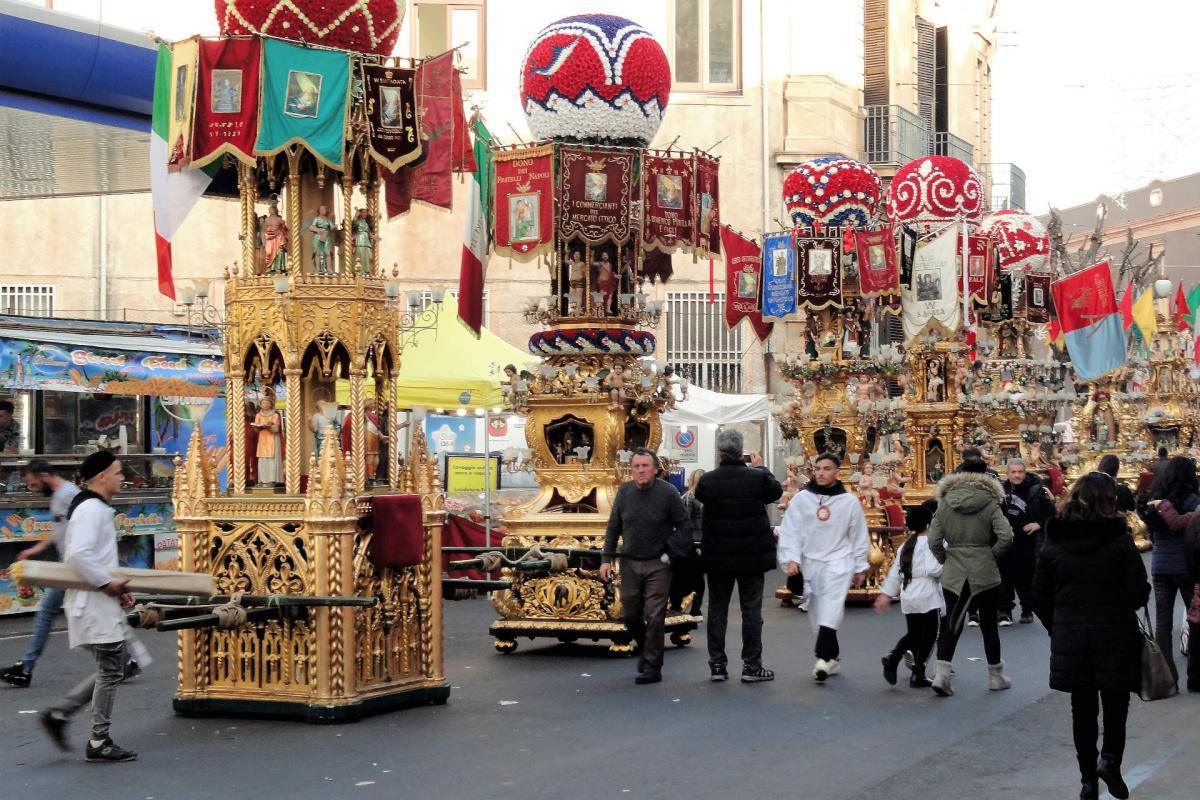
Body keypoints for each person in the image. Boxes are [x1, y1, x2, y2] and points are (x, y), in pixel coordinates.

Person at [1034, 473, 1151, 800]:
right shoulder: (1119, 539)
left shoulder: (1054, 539)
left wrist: (1057, 627)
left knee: (1081, 708)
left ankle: (1087, 778)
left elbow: (1039, 594)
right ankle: (1110, 760)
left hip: (1072, 635)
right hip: (1114, 631)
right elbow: (1138, 593)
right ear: (1108, 501)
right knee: (1116, 703)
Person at [40, 451, 138, 762]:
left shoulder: (94, 508)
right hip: (91, 604)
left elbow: (93, 558)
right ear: (101, 476)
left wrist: (114, 590)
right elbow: (79, 555)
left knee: (115, 665)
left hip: (97, 602)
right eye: (118, 472)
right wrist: (106, 585)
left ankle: (61, 714)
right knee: (112, 669)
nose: (122, 478)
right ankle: (98, 740)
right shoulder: (92, 509)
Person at [695, 431, 783, 683]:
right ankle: (752, 665)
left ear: (719, 453)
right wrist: (762, 468)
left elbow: (701, 498)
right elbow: (775, 492)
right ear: (741, 450)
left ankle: (718, 666)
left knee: (717, 610)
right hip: (751, 555)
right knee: (751, 610)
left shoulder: (708, 481)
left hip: (719, 556)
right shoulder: (756, 478)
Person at [599, 449, 692, 685]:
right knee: (630, 613)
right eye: (637, 466)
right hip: (630, 561)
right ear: (631, 470)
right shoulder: (624, 492)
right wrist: (606, 558)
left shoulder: (668, 493)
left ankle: (652, 665)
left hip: (658, 563)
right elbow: (613, 527)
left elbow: (685, 527)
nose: (641, 470)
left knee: (654, 614)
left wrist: (670, 553)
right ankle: (646, 647)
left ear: (655, 469)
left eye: (645, 466)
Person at [777, 452, 870, 682]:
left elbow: (858, 535)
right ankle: (833, 657)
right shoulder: (802, 499)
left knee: (832, 606)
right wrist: (791, 558)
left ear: (837, 472)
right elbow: (791, 530)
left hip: (839, 561)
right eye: (818, 468)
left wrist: (859, 567)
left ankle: (821, 658)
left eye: (827, 468)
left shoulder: (849, 502)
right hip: (811, 562)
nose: (821, 472)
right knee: (818, 611)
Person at [927, 459, 1013, 696]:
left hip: (955, 570)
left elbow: (934, 540)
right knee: (988, 624)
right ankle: (995, 675)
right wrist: (990, 555)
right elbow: (1006, 536)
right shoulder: (991, 501)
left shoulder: (945, 503)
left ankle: (942, 673)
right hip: (983, 570)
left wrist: (946, 558)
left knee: (952, 622)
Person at [0, 460, 80, 687]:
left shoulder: (67, 495)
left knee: (49, 612)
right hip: (71, 565)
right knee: (84, 617)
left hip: (75, 566)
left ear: (44, 475)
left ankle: (26, 667)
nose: (33, 488)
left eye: (34, 484)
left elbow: (82, 525)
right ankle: (125, 661)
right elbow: (59, 531)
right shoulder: (59, 497)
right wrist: (36, 549)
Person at [1138, 454, 1200, 686]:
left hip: (1160, 564)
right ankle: (1195, 674)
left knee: (1163, 622)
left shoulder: (1156, 498)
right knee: (1194, 620)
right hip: (1185, 565)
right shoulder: (1189, 499)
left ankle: (1167, 677)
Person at [874, 502, 944, 688]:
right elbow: (934, 569)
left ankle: (893, 658)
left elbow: (895, 572)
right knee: (930, 635)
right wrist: (946, 559)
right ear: (929, 524)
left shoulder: (905, 545)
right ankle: (918, 672)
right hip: (927, 593)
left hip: (908, 593)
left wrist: (886, 594)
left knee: (913, 634)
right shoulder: (931, 544)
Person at [998, 458, 1055, 625]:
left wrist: (1039, 524)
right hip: (1005, 540)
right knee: (1004, 577)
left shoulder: (1036, 489)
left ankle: (1027, 609)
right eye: (1013, 472)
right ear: (1007, 474)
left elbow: (1051, 514)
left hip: (1027, 541)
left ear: (1025, 472)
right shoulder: (1000, 490)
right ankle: (1005, 610)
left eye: (1020, 472)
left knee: (1026, 577)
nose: (1017, 475)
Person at [667, 468, 706, 622]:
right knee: (699, 578)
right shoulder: (708, 499)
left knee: (681, 575)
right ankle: (697, 609)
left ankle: (677, 605)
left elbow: (684, 522)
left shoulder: (688, 498)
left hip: (690, 543)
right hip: (704, 542)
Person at [252, 397, 282, 487]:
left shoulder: (275, 415)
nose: (265, 405)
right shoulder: (258, 415)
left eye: (267, 403)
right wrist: (257, 426)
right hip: (262, 438)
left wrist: (269, 426)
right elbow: (256, 428)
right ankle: (263, 479)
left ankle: (273, 479)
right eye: (263, 403)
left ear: (270, 404)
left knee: (272, 458)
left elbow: (276, 429)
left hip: (272, 437)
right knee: (263, 458)